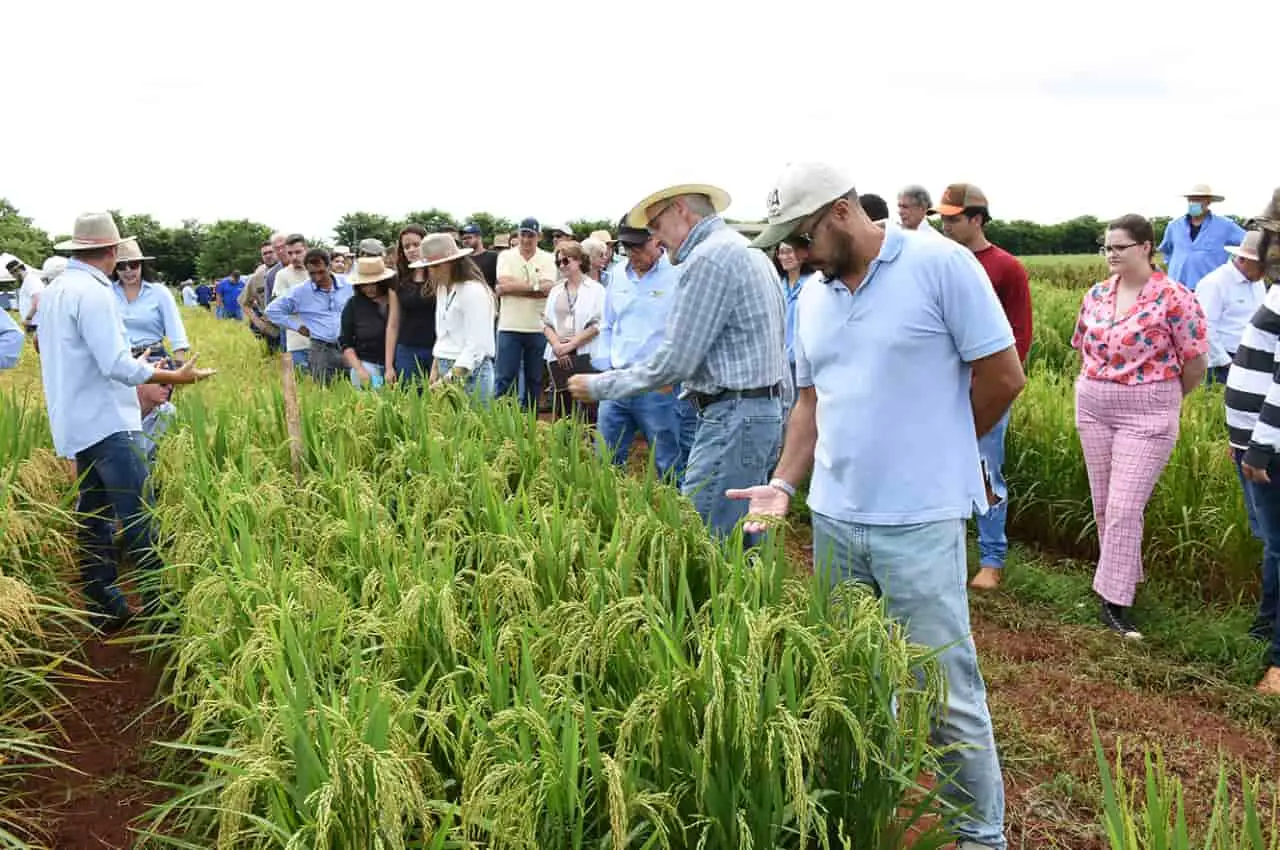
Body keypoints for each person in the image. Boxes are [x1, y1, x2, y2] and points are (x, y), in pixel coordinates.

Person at [730, 161, 1025, 850]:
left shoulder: (939, 266)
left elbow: (1003, 376)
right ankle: (872, 810)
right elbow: (810, 402)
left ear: (839, 212)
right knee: (855, 680)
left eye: (800, 238)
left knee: (944, 693)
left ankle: (981, 837)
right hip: (836, 520)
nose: (793, 254)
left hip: (918, 522)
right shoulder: (813, 296)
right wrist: (784, 483)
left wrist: (941, 452)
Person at [569, 182, 788, 541]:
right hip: (759, 415)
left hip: (732, 419)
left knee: (701, 539)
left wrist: (600, 386)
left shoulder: (708, 258)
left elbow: (676, 362)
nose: (655, 238)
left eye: (655, 225)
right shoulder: (746, 251)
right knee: (744, 536)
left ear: (681, 210)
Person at [38, 212, 215, 630]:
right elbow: (116, 364)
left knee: (95, 517)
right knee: (138, 516)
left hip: (78, 421)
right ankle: (160, 614)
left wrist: (132, 364)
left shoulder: (58, 289)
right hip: (109, 424)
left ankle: (104, 604)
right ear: (114, 252)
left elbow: (77, 355)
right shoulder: (95, 293)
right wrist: (175, 376)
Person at [1072, 214, 1208, 638]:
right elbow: (1082, 348)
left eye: (1120, 247)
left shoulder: (1175, 297)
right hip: (1094, 405)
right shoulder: (1095, 294)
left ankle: (1114, 603)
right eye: (1107, 247)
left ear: (1146, 247)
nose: (1111, 254)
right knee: (1104, 504)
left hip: (1148, 409)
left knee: (1125, 507)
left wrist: (1164, 401)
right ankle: (1120, 580)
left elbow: (1196, 361)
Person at [938, 182, 1033, 591]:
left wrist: (995, 386)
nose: (946, 225)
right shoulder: (939, 262)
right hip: (942, 388)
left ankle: (992, 560)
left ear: (977, 219)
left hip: (985, 388)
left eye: (954, 219)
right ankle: (947, 552)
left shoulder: (1005, 267)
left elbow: (1020, 336)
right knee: (940, 469)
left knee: (985, 470)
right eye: (942, 218)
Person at [592, 220, 696, 484]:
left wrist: (670, 375)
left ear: (655, 240)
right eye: (627, 247)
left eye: (638, 246)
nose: (632, 253)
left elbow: (684, 331)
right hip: (617, 382)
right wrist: (606, 368)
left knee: (668, 461)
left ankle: (675, 518)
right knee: (605, 458)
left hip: (658, 386)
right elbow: (607, 324)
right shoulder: (616, 275)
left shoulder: (678, 273)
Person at [1224, 270, 1280, 697]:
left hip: (1270, 448)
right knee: (1273, 546)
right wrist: (1240, 438)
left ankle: (1278, 660)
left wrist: (1260, 445)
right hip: (1255, 443)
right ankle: (1264, 632)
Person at [410, 233, 497, 403]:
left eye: (436, 266)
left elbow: (476, 347)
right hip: (445, 367)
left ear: (452, 263)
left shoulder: (474, 291)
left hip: (470, 372)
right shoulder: (443, 289)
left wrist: (449, 379)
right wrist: (435, 369)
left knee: (473, 427)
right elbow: (443, 333)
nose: (431, 272)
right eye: (429, 267)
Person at [265, 248, 354, 384]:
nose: (317, 277)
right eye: (312, 273)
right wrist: (296, 326)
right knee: (324, 392)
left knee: (357, 387)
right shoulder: (300, 292)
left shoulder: (349, 285)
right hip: (321, 350)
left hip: (349, 346)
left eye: (321, 272)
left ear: (329, 267)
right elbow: (272, 310)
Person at [495, 217, 556, 409]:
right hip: (509, 326)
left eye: (531, 235)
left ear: (538, 236)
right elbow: (504, 284)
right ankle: (499, 421)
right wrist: (535, 288)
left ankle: (529, 424)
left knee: (534, 379)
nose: (526, 239)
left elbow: (548, 288)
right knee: (505, 378)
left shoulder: (548, 258)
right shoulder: (505, 256)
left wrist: (515, 288)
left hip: (537, 327)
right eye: (523, 234)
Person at [542, 240, 604, 420]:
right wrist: (557, 346)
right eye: (558, 262)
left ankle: (590, 447)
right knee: (563, 410)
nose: (562, 266)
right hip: (559, 355)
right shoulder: (556, 290)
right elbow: (546, 323)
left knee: (589, 411)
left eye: (566, 261)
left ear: (579, 260)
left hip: (586, 353)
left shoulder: (596, 290)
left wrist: (571, 345)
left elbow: (598, 324)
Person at [1196, 230, 1267, 384]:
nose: (1264, 272)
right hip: (1222, 363)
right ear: (1242, 259)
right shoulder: (1215, 283)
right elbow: (1204, 327)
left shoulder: (1258, 283)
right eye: (1261, 266)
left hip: (1251, 357)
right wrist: (1226, 362)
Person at [111, 239, 190, 361]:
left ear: (142, 265)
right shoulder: (107, 292)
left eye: (133, 265)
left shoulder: (159, 292)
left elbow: (175, 327)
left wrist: (180, 362)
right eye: (121, 266)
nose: (128, 270)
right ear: (115, 268)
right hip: (120, 358)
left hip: (153, 356)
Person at [1157, 184, 1246, 291]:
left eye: (1198, 200)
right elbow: (1166, 250)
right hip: (1178, 288)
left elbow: (1247, 242)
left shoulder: (1225, 226)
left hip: (1210, 289)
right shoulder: (1174, 226)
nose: (1193, 203)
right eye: (1190, 200)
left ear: (1208, 202)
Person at [387, 224, 436, 386]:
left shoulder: (439, 277)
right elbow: (393, 324)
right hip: (407, 350)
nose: (411, 250)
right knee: (409, 400)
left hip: (437, 349)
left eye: (416, 244)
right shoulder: (397, 280)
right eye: (406, 246)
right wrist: (388, 366)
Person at [339, 256, 396, 389]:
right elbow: (345, 342)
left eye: (374, 283)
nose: (370, 288)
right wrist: (359, 369)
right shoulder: (354, 305)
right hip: (369, 365)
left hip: (396, 364)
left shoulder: (395, 300)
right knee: (377, 397)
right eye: (365, 284)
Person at [267, 234, 312, 367]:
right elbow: (279, 308)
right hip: (296, 341)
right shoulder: (282, 275)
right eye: (290, 253)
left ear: (306, 250)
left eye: (298, 252)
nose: (294, 257)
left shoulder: (318, 271)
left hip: (323, 341)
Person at [459, 223, 499, 288]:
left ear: (479, 238)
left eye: (469, 237)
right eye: (463, 238)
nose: (465, 241)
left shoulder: (494, 257)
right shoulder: (461, 259)